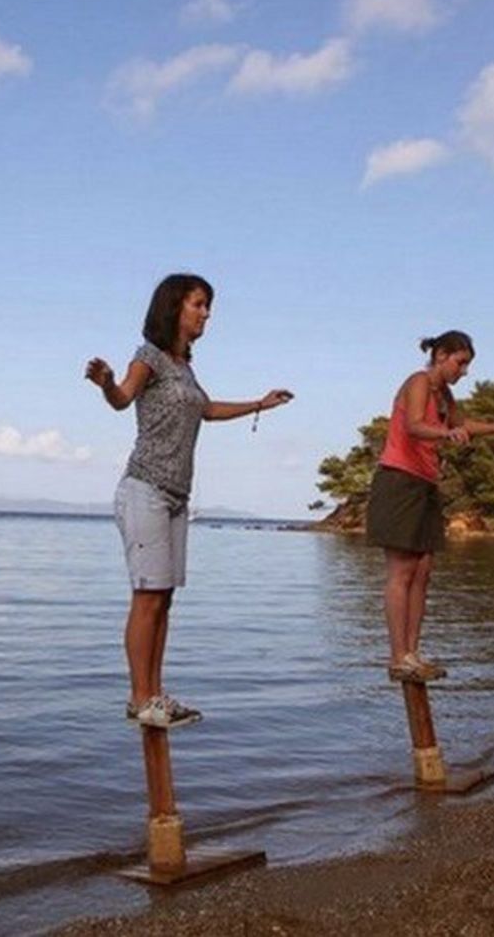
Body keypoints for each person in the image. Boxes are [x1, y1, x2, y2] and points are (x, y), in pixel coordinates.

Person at [85, 274, 292, 728]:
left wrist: (261, 404)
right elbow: (121, 398)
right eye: (199, 305)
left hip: (178, 496)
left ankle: (154, 694)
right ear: (174, 307)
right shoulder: (150, 357)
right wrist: (103, 382)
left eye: (208, 307)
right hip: (144, 489)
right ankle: (140, 699)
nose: (206, 314)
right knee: (146, 596)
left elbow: (207, 409)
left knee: (163, 599)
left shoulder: (184, 367)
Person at [365, 331, 494, 682]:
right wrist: (445, 435)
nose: (464, 371)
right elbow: (414, 425)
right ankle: (398, 657)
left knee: (423, 571)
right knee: (401, 572)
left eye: (468, 365)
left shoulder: (444, 394)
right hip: (399, 480)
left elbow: (462, 425)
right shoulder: (418, 382)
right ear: (441, 355)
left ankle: (412, 653)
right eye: (461, 363)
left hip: (425, 483)